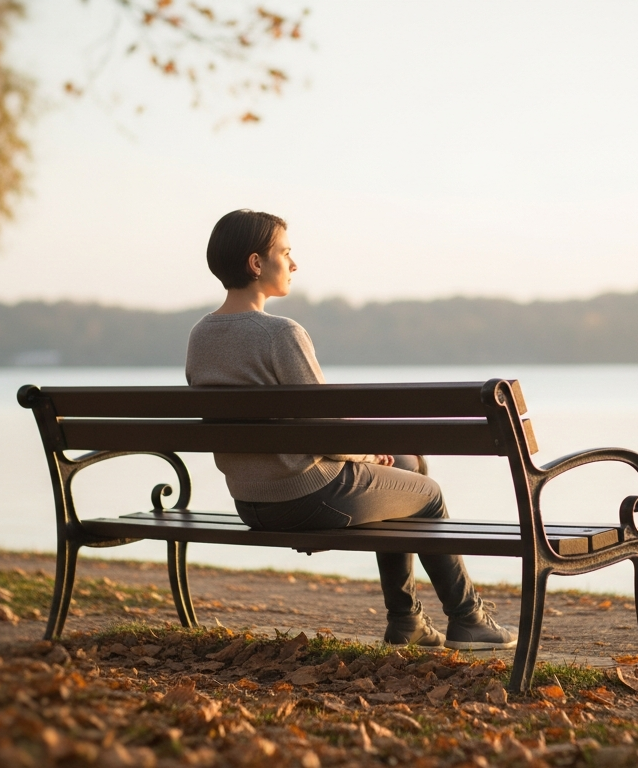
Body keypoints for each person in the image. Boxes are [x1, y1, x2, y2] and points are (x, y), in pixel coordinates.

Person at [184, 209, 518, 650]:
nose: (294, 263)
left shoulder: (200, 335)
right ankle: (466, 618)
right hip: (307, 498)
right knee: (427, 493)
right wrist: (364, 454)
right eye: (285, 253)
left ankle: (408, 622)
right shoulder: (280, 334)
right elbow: (326, 430)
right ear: (256, 263)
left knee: (408, 463)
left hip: (252, 502)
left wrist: (369, 454)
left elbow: (311, 428)